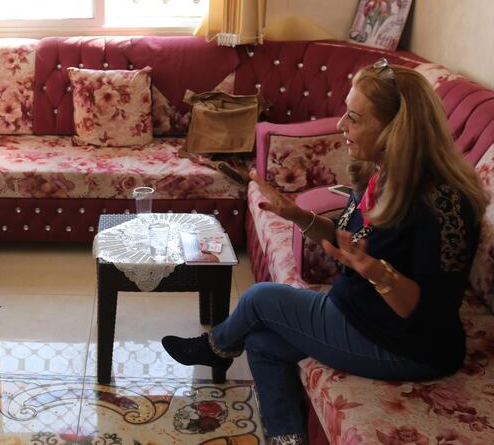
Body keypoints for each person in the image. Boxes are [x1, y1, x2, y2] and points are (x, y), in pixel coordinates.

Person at [162, 59, 488, 444]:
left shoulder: (443, 204)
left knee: (261, 299)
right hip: (363, 315)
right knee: (262, 344)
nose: (341, 126)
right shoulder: (380, 174)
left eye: (355, 118)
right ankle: (288, 439)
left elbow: (428, 312)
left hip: (406, 345)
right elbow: (347, 242)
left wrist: (379, 274)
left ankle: (217, 347)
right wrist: (297, 215)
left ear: (396, 130)